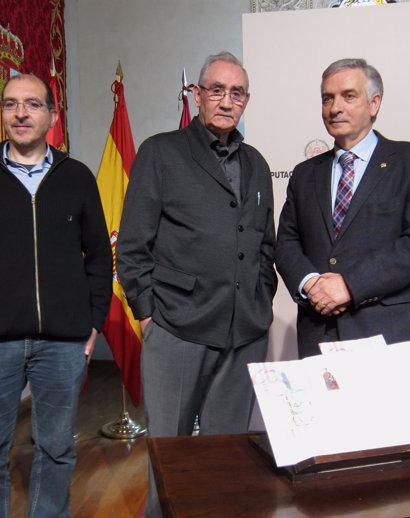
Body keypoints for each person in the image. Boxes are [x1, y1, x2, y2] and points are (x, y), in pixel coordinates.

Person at [0, 73, 112, 518]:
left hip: (62, 344)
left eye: (32, 104)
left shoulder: (77, 178)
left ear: (52, 115)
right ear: (1, 114)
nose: (20, 113)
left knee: (56, 451)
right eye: (11, 104)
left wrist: (92, 323)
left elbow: (100, 258)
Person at [117, 51, 276, 517]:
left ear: (246, 100)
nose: (227, 101)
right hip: (176, 328)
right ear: (198, 95)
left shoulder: (257, 163)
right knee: (171, 455)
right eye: (217, 90)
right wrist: (148, 314)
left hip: (243, 331)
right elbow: (132, 245)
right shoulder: (160, 152)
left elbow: (264, 243)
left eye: (237, 92)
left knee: (227, 455)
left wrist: (261, 298)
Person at [276, 58, 410, 359]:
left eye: (348, 96)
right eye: (327, 98)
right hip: (319, 333)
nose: (335, 107)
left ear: (374, 103)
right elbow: (287, 244)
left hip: (392, 334)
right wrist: (310, 283)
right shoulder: (305, 174)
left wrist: (350, 285)